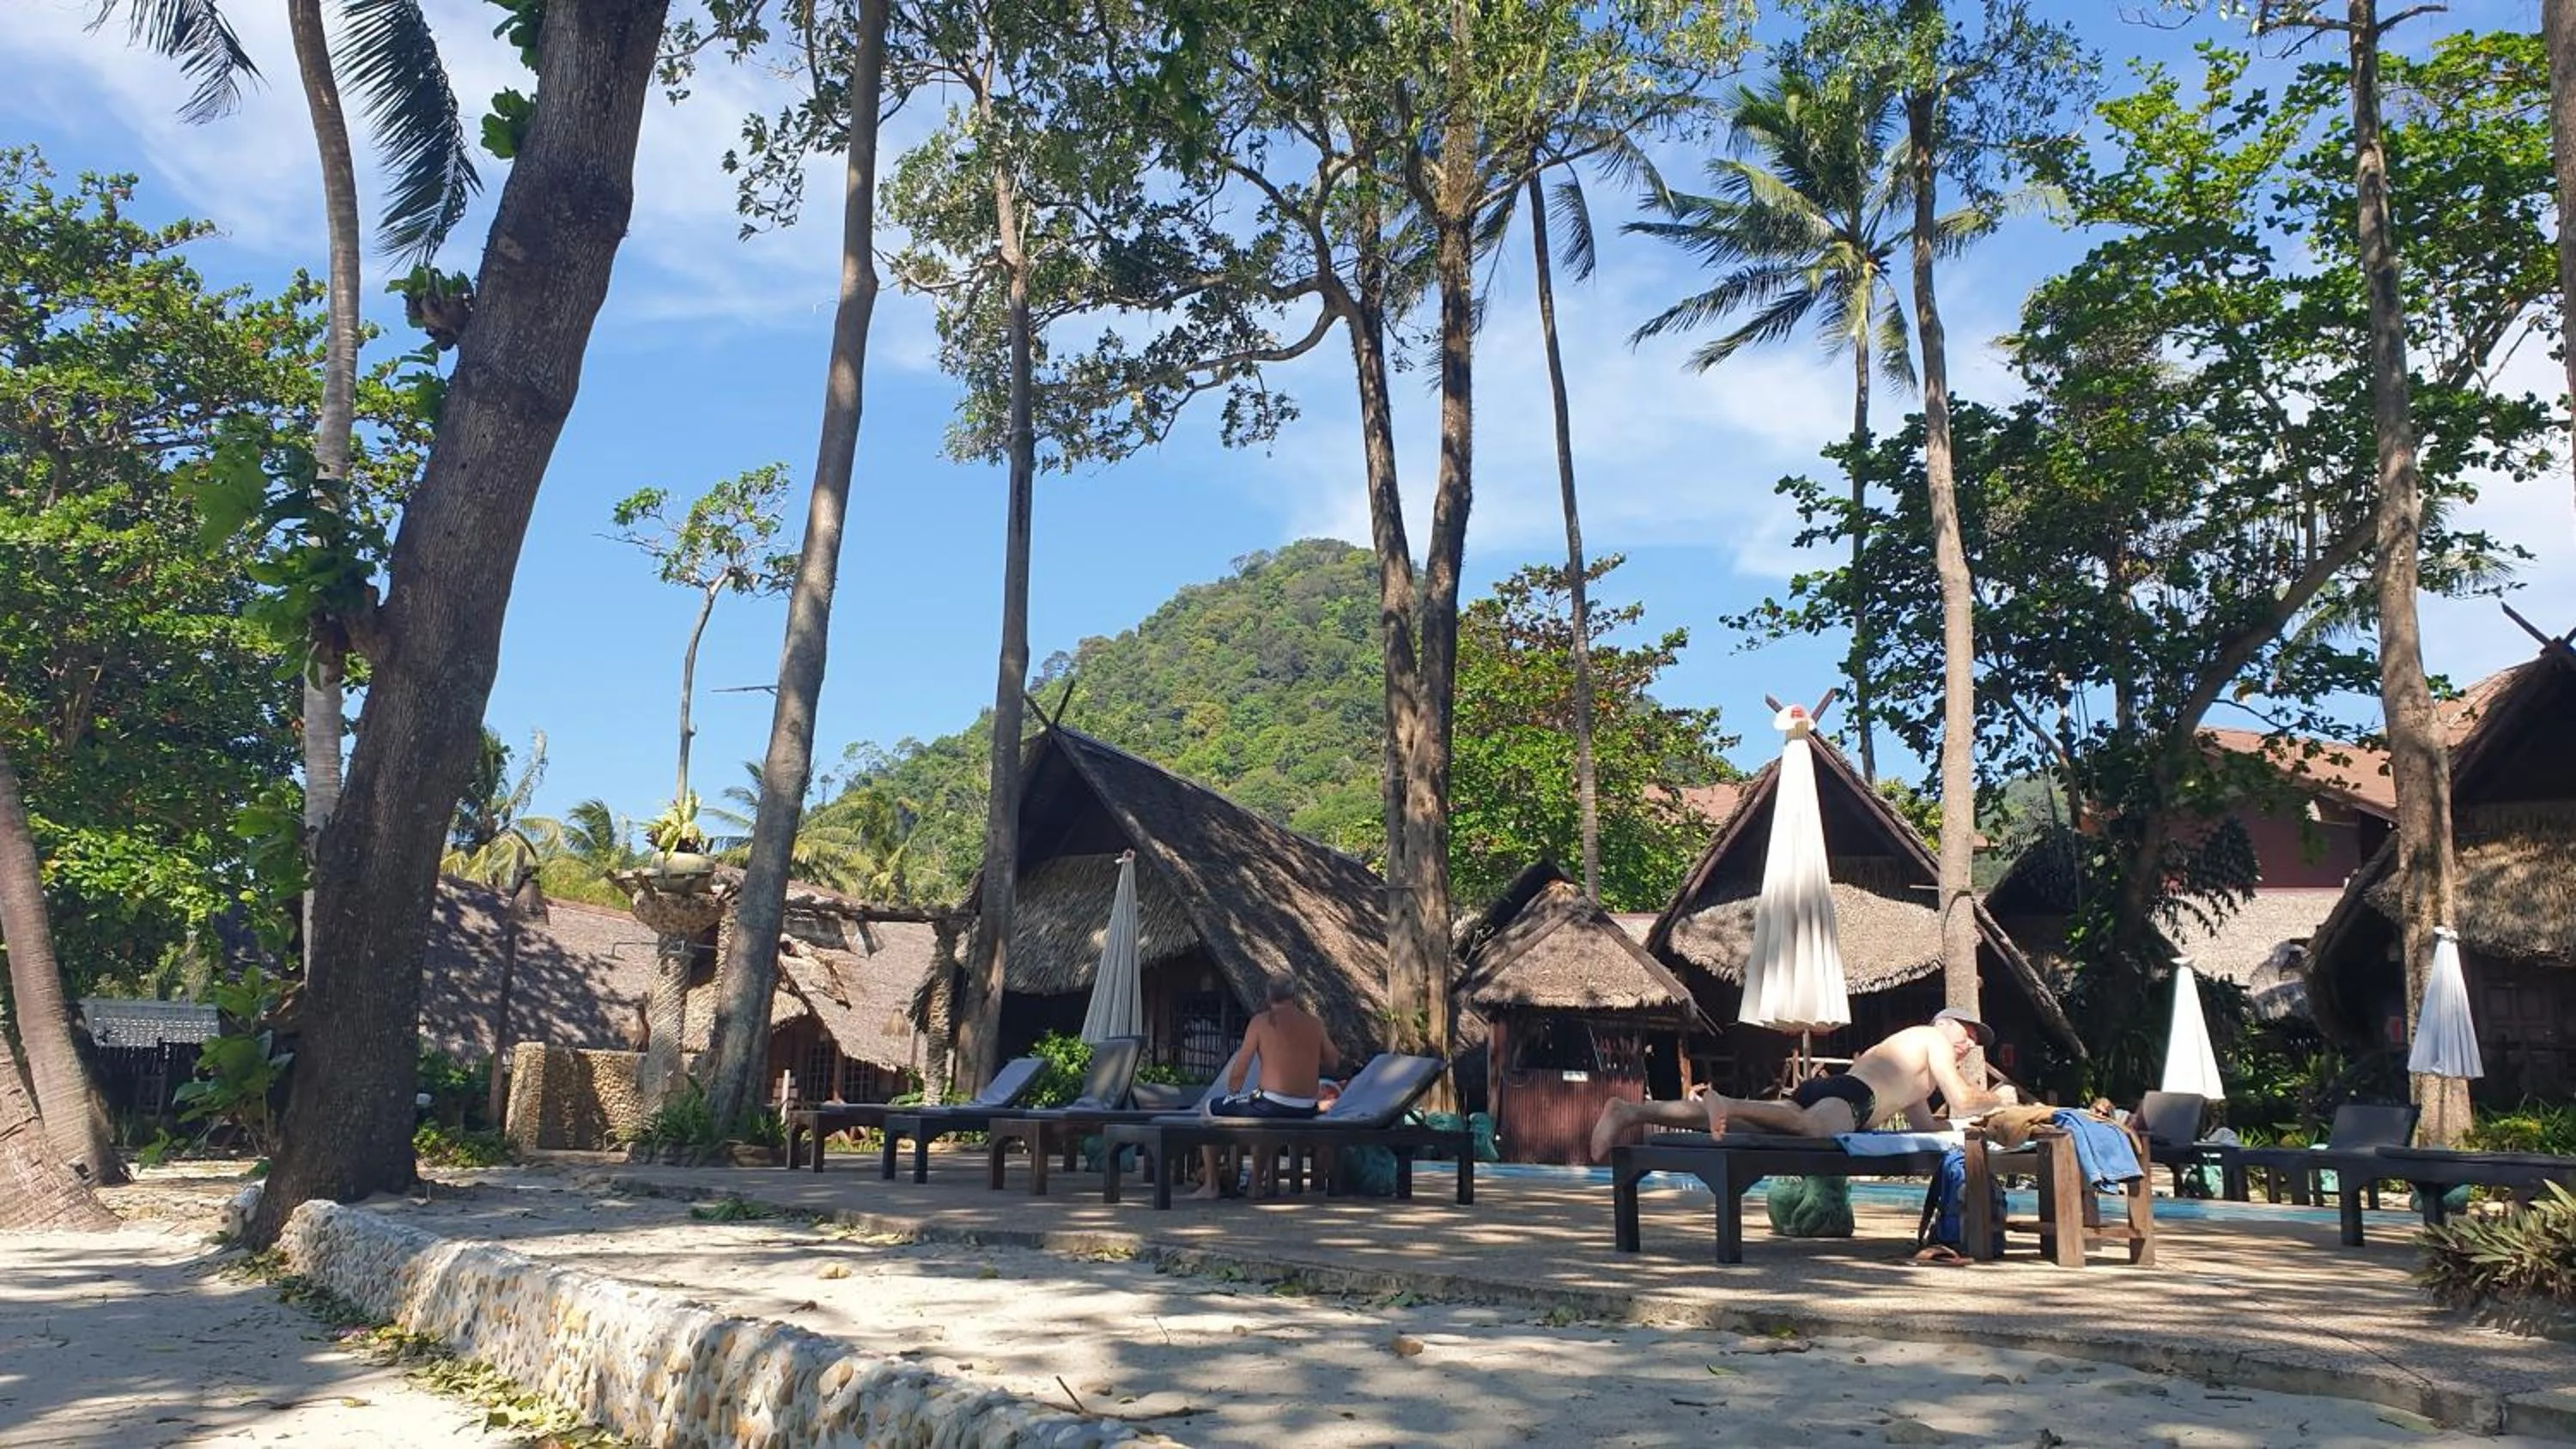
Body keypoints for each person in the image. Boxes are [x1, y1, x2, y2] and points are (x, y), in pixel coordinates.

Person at [1588, 1008, 2016, 1161]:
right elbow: (1960, 1098)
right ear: (1945, 1025)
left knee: (1764, 1123)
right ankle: (1729, 1102)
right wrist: (1998, 1100)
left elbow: (1925, 1127)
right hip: (1853, 1100)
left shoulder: (1914, 1071)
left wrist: (1970, 1131)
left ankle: (1628, 1112)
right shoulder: (1931, 1037)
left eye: (1975, 1041)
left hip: (1832, 1094)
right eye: (1967, 1032)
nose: (1969, 1043)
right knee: (1811, 1130)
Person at [1187, 979, 1340, 1200]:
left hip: (1271, 1104)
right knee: (1261, 1111)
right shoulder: (1314, 1024)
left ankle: (1211, 1185)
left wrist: (1233, 1094)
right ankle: (1256, 1184)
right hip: (1306, 1107)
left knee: (1209, 1108)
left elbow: (1241, 1066)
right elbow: (1333, 1061)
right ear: (1294, 996)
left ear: (1268, 998)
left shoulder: (1260, 1022)